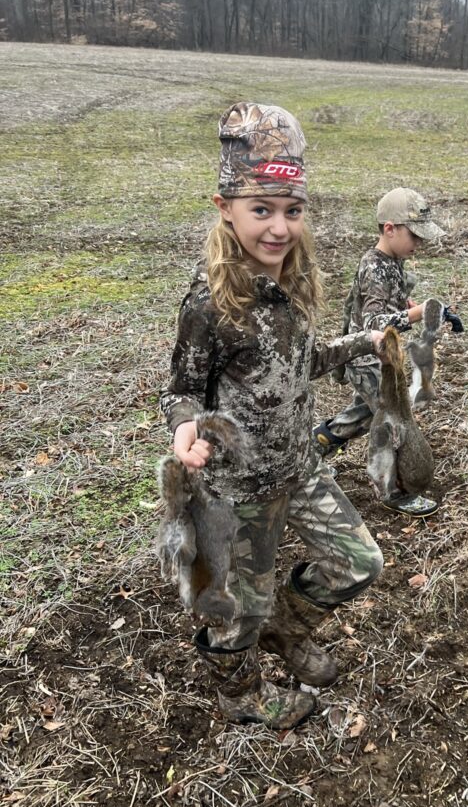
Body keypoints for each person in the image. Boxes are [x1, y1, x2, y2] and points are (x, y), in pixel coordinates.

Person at [159, 101, 386, 731]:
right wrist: (184, 429)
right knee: (237, 610)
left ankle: (289, 627)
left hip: (299, 469)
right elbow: (181, 389)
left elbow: (302, 360)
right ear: (225, 208)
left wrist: (370, 341)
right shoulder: (209, 303)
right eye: (261, 210)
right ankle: (242, 695)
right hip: (238, 491)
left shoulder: (297, 282)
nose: (279, 228)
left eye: (291, 211)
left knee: (360, 563)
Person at [313, 187, 445, 517]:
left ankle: (312, 449)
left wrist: (405, 305)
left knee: (368, 412)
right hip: (368, 357)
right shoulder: (375, 267)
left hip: (376, 357)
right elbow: (373, 321)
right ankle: (393, 490)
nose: (419, 244)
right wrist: (415, 315)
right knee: (394, 420)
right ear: (390, 228)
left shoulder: (392, 262)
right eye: (414, 236)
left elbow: (381, 304)